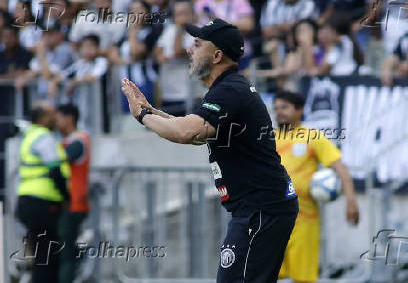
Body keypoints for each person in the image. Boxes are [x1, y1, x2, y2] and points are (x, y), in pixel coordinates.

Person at [121, 18, 299, 282]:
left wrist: (141, 116)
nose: (189, 50)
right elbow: (194, 130)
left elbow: (186, 132)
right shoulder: (227, 89)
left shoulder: (229, 91)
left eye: (197, 44)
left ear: (216, 55)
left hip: (261, 209)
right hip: (259, 208)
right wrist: (150, 111)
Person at [273, 91, 359, 283]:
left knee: (303, 278)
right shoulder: (269, 139)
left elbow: (341, 168)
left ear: (299, 110)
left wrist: (351, 201)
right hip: (271, 219)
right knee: (268, 276)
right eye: (276, 108)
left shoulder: (313, 137)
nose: (279, 112)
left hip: (303, 220)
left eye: (284, 107)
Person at [16, 101, 71, 283]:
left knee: (42, 256)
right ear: (43, 118)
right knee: (48, 259)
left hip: (28, 201)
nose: (55, 116)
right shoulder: (44, 137)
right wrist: (65, 196)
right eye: (52, 113)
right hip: (43, 203)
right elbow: (55, 170)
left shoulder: (30, 135)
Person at [56, 104, 91, 283]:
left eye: (58, 117)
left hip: (73, 204)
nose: (55, 121)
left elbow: (59, 161)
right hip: (69, 203)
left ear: (69, 118)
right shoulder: (71, 140)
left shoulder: (78, 140)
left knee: (66, 254)